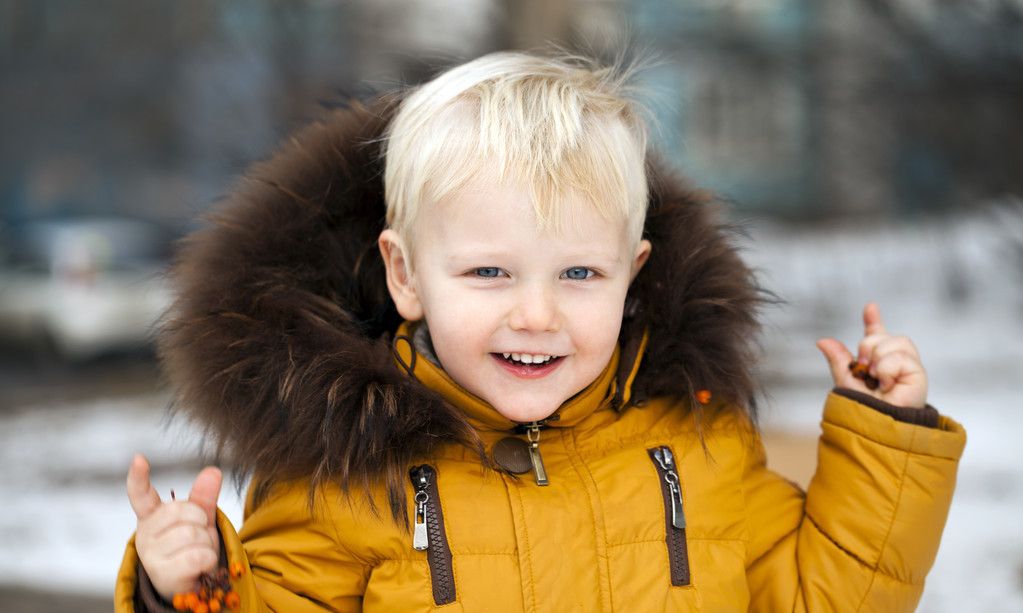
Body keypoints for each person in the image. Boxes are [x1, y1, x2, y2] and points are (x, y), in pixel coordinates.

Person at [115, 51, 966, 612]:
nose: (536, 313)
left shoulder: (697, 446)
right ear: (405, 275)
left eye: (578, 274)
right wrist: (187, 589)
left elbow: (827, 598)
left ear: (632, 273)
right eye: (488, 272)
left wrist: (886, 446)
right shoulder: (341, 478)